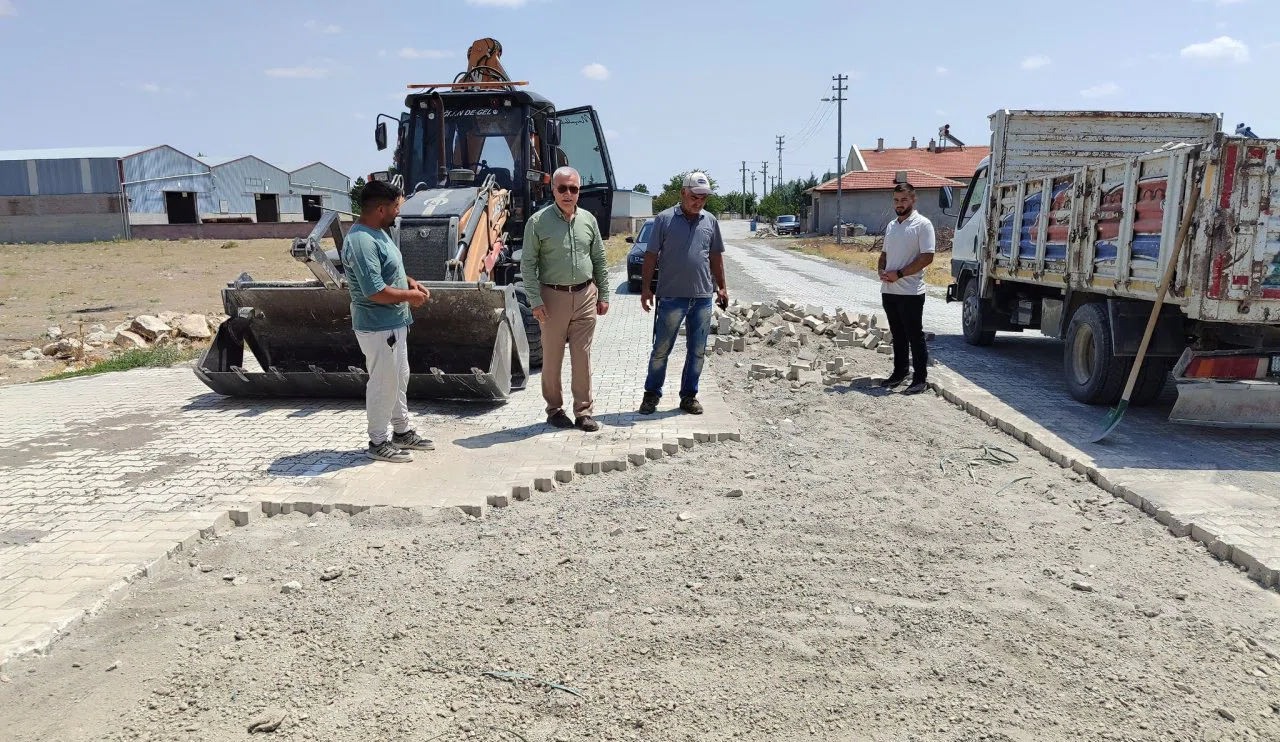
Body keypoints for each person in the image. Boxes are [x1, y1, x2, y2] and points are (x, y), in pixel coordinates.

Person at [342, 180, 435, 462]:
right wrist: (409, 296)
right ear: (381, 209)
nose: (398, 212)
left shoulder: (379, 233)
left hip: (394, 323)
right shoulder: (361, 241)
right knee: (384, 383)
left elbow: (389, 271)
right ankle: (378, 441)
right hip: (377, 326)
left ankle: (402, 432)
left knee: (399, 378)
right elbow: (374, 291)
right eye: (396, 207)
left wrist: (409, 282)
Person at [521, 166, 610, 432]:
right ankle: (555, 410)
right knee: (552, 358)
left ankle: (583, 411)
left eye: (573, 188)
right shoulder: (537, 222)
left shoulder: (588, 220)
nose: (568, 194)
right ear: (553, 191)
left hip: (585, 296)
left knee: (582, 357)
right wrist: (535, 301)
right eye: (563, 188)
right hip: (552, 299)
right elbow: (527, 265)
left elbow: (600, 260)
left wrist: (603, 294)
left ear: (579, 191)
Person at [638, 171, 728, 415]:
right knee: (661, 349)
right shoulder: (664, 219)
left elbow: (716, 256)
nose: (698, 202)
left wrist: (722, 287)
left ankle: (689, 396)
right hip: (670, 297)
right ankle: (651, 395)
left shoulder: (710, 221)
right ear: (683, 193)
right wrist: (646, 289)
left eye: (703, 198)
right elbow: (650, 255)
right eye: (694, 196)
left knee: (697, 351)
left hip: (702, 298)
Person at [877, 182, 936, 395]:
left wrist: (900, 274)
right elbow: (884, 254)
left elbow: (927, 257)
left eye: (904, 200)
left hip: (910, 292)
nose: (899, 204)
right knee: (897, 334)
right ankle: (899, 372)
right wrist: (881, 269)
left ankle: (920, 379)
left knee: (914, 335)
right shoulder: (892, 225)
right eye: (896, 200)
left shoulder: (923, 224)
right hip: (889, 291)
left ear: (913, 199)